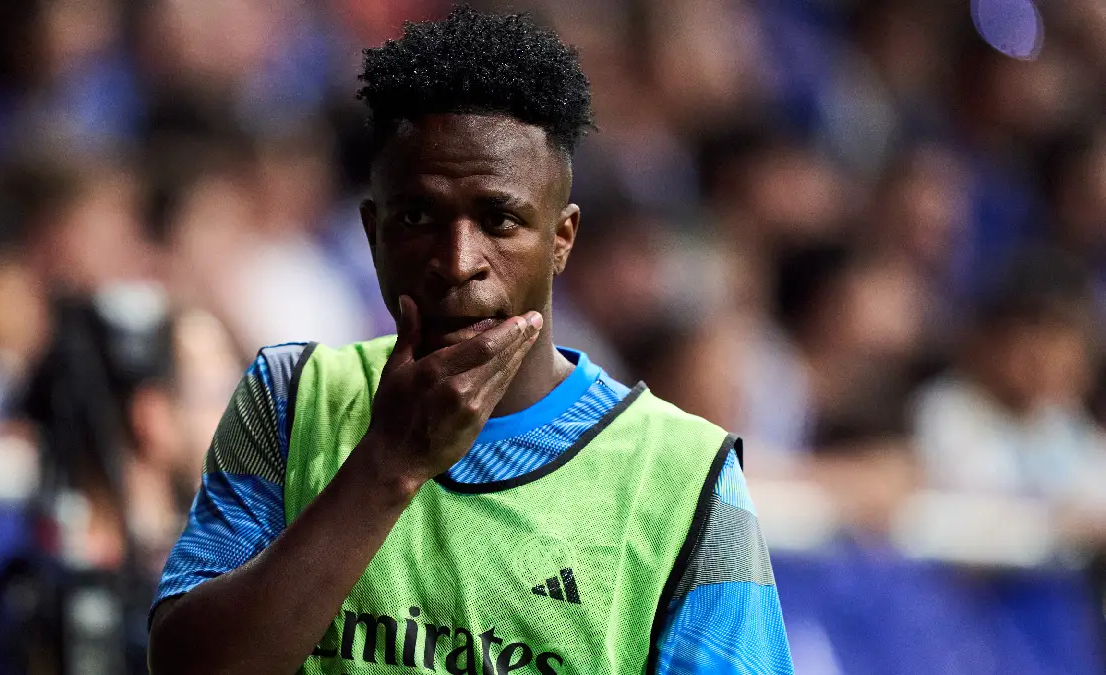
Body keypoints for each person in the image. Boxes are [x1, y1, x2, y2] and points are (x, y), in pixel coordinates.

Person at [147, 7, 794, 674]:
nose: (457, 260)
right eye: (419, 216)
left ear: (562, 239)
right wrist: (388, 463)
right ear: (373, 234)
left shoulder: (688, 479)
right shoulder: (288, 398)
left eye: (500, 219)